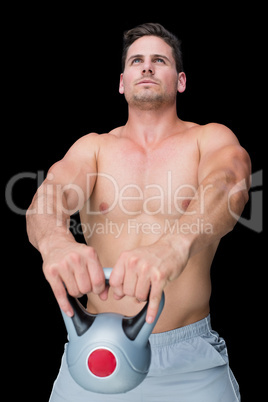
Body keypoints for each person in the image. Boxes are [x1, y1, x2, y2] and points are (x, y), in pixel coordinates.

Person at [26, 23, 251, 401]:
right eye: (137, 61)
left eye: (158, 60)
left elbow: (231, 182)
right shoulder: (93, 148)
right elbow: (51, 193)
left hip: (188, 360)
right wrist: (55, 242)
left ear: (180, 80)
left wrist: (175, 245)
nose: (146, 68)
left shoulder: (207, 139)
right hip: (95, 352)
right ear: (122, 82)